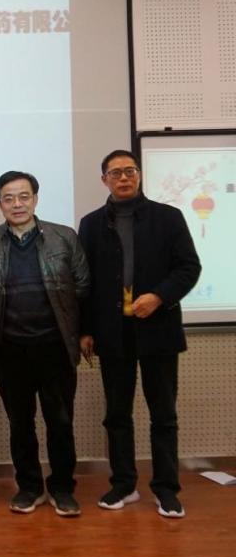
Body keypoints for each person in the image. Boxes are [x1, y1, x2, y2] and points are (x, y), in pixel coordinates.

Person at [78, 149, 200, 519]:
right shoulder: (91, 224)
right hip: (112, 333)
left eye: (129, 171)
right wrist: (85, 330)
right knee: (117, 414)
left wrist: (159, 296)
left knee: (163, 414)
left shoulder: (168, 217)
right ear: (104, 180)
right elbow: (85, 283)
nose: (123, 178)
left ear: (139, 175)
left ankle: (166, 489)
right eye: (115, 173)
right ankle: (123, 484)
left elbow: (189, 267)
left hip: (158, 330)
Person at [0, 171, 90, 517]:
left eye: (23, 196)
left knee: (60, 422)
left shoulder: (64, 237)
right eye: (9, 198)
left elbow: (83, 288)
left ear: (35, 199)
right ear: (0, 204)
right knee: (20, 424)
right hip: (9, 348)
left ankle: (62, 487)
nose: (17, 204)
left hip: (55, 346)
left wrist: (84, 333)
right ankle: (29, 487)